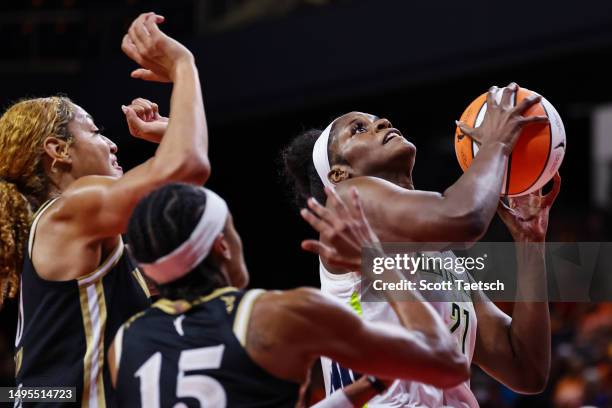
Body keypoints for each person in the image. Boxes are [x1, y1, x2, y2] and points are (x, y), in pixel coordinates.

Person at [282, 83, 561, 406]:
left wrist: (530, 244)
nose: (381, 122)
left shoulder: (443, 261)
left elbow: (526, 368)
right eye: (359, 129)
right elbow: (464, 218)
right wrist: (495, 144)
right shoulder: (346, 203)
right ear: (339, 174)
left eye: (376, 119)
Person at [0, 12, 209, 407]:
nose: (113, 143)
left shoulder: (74, 223)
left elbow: (187, 190)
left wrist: (171, 141)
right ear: (57, 150)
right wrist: (183, 66)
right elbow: (191, 167)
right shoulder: (71, 209)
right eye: (95, 132)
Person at [109, 183, 470, 407]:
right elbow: (445, 364)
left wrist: (364, 389)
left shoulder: (125, 343)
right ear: (222, 246)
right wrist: (375, 259)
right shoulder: (275, 314)